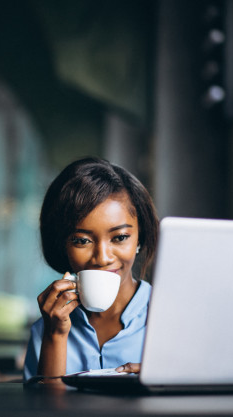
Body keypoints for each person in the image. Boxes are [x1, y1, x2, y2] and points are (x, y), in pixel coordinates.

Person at [23, 157, 158, 383]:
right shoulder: (47, 325)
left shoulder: (169, 319)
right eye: (82, 241)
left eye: (120, 237)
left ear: (139, 239)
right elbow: (45, 410)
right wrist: (55, 335)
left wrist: (164, 386)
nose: (102, 258)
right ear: (62, 245)